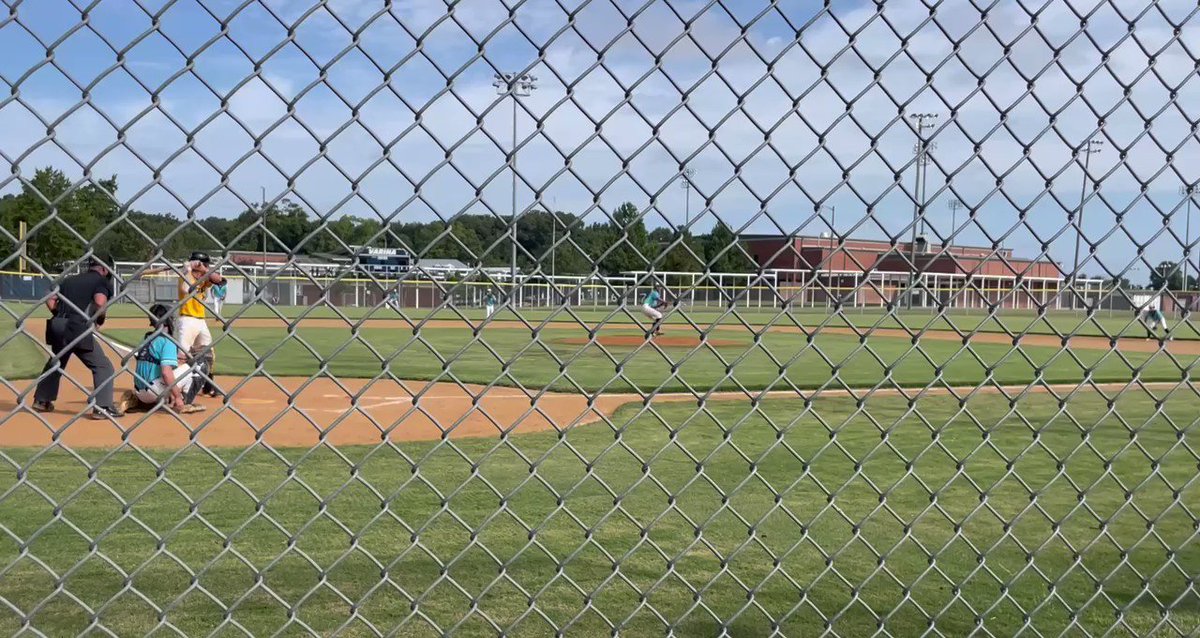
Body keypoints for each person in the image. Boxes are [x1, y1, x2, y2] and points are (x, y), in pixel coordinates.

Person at [32, 254, 124, 419]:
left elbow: (50, 298)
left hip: (57, 325)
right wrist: (99, 319)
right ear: (104, 269)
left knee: (57, 362)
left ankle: (42, 400)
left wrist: (59, 313)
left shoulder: (69, 279)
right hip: (76, 327)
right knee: (103, 366)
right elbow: (100, 302)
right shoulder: (101, 281)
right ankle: (102, 407)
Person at [146, 252, 225, 397]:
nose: (207, 267)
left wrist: (203, 269)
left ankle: (208, 386)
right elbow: (186, 289)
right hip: (187, 320)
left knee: (209, 354)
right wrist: (188, 270)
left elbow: (220, 280)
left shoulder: (204, 277)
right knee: (182, 357)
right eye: (204, 264)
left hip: (201, 320)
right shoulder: (184, 276)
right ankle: (176, 389)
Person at [121, 303, 206, 414]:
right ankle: (183, 402)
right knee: (200, 364)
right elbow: (166, 373)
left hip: (140, 391)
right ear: (168, 321)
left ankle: (143, 403)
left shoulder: (147, 337)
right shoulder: (167, 341)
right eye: (171, 318)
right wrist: (177, 396)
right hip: (154, 391)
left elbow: (153, 357)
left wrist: (180, 358)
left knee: (176, 366)